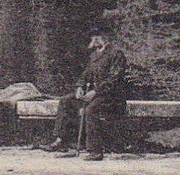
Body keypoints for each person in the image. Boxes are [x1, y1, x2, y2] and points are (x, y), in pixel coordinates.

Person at [41, 30, 127, 162]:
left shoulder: (116, 54)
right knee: (66, 101)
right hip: (94, 94)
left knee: (91, 109)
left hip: (111, 96)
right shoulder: (94, 55)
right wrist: (79, 87)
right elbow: (85, 75)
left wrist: (96, 91)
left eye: (95, 37)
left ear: (101, 37)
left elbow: (114, 79)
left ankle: (95, 151)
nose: (92, 40)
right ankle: (61, 140)